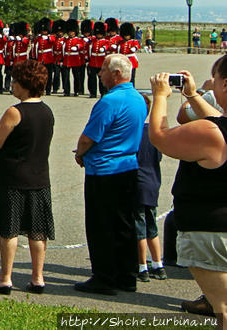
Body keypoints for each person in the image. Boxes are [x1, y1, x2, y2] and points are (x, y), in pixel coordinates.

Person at [149, 58, 227, 318]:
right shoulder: (217, 126)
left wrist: (160, 97)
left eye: (214, 81)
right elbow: (218, 118)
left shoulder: (210, 133)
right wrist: (193, 95)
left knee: (224, 309)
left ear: (225, 84)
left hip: (211, 230)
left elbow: (160, 137)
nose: (211, 86)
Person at [73, 54, 146, 295]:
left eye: (103, 70)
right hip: (128, 166)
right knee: (124, 223)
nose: (99, 74)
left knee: (100, 225)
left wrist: (80, 153)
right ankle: (127, 274)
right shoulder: (138, 98)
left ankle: (104, 276)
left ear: (116, 73)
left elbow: (88, 137)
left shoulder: (109, 101)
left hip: (104, 169)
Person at [0, 59, 55, 295]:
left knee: (9, 229)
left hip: (13, 177)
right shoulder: (46, 111)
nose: (12, 85)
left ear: (24, 84)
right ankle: (38, 278)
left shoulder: (15, 111)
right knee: (37, 230)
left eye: (14, 81)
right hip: (39, 176)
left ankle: (5, 278)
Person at [134, 95, 167, 282]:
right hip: (153, 182)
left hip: (138, 183)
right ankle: (158, 264)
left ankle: (142, 266)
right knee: (151, 226)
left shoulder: (134, 132)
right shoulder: (153, 133)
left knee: (140, 228)